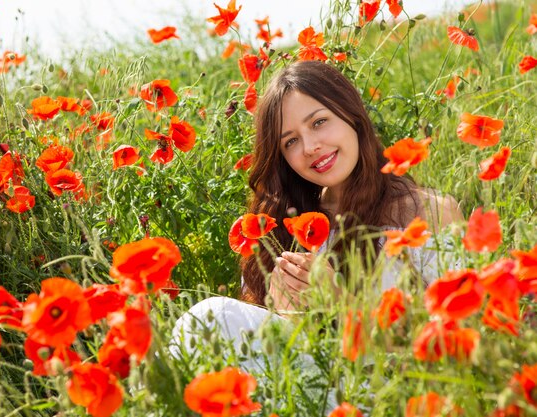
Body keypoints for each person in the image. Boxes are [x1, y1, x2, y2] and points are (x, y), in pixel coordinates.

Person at [170, 60, 463, 370]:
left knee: (210, 317)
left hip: (391, 393)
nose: (310, 147)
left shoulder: (429, 212)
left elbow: (457, 344)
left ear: (351, 114)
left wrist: (341, 303)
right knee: (210, 321)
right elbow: (270, 351)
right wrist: (287, 316)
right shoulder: (281, 226)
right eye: (291, 141)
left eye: (319, 122)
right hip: (304, 389)